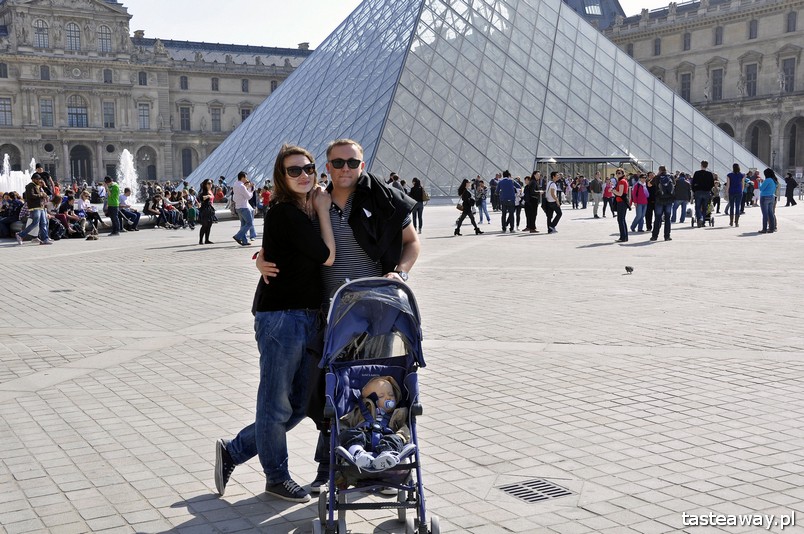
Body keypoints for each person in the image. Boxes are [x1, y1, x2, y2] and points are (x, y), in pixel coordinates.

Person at [237, 138, 419, 497]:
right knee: (330, 395)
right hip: (327, 313)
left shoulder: (381, 199)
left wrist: (401, 272)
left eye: (352, 163)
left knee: (381, 386)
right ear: (328, 166)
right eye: (337, 163)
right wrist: (259, 256)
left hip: (376, 310)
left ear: (362, 165)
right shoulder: (311, 201)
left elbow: (412, 242)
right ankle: (330, 468)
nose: (345, 169)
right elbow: (284, 239)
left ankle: (387, 462)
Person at [215, 144, 336, 503]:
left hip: (304, 316)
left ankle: (234, 451)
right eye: (294, 170)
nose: (304, 175)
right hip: (282, 317)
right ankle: (276, 477)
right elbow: (327, 257)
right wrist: (324, 210)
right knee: (275, 404)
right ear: (281, 178)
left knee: (298, 404)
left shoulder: (300, 211)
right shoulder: (287, 212)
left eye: (308, 168)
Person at [334, 376, 414, 472]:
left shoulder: (398, 414)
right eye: (381, 396)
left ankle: (387, 455)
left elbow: (404, 428)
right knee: (351, 434)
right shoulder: (360, 411)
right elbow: (345, 422)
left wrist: (400, 436)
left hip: (387, 438)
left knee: (395, 439)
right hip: (363, 440)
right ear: (371, 399)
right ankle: (358, 454)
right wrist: (344, 431)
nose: (388, 397)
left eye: (391, 394)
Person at [16, 172, 52, 245]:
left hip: (41, 206)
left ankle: (45, 239)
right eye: (37, 179)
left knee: (44, 223)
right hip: (35, 207)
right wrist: (41, 195)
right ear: (33, 179)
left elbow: (48, 192)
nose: (39, 180)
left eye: (39, 179)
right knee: (35, 223)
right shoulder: (30, 186)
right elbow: (31, 196)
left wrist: (44, 190)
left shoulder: (38, 186)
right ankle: (20, 235)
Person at [650, 166, 674, 242]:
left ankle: (654, 236)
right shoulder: (671, 176)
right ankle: (667, 236)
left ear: (659, 170)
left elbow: (649, 184)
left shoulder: (657, 177)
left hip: (659, 200)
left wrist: (656, 176)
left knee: (657, 218)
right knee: (667, 218)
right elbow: (674, 185)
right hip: (669, 200)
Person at [232, 171, 255, 246]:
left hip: (238, 207)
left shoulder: (235, 184)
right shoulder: (242, 186)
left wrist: (247, 188)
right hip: (244, 207)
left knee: (243, 224)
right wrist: (251, 190)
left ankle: (244, 241)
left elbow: (239, 194)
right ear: (242, 177)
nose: (246, 179)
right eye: (246, 177)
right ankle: (238, 236)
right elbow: (248, 196)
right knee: (249, 223)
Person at [691, 161, 715, 228]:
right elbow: (712, 184)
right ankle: (703, 222)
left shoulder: (697, 173)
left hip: (698, 192)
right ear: (707, 166)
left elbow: (693, 184)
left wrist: (694, 191)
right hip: (706, 192)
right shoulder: (709, 174)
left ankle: (700, 218)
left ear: (701, 165)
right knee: (705, 208)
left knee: (697, 207)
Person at [612, 168, 630, 242]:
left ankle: (623, 237)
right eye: (617, 173)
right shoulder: (622, 181)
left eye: (619, 173)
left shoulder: (622, 181)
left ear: (623, 174)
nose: (617, 174)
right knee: (622, 219)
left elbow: (620, 193)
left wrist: (613, 190)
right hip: (622, 202)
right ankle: (624, 237)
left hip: (621, 202)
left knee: (620, 219)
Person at [198, 179, 216, 244]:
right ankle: (200, 240)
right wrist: (207, 196)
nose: (210, 185)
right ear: (205, 184)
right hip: (205, 209)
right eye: (208, 183)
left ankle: (207, 240)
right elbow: (201, 198)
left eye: (211, 183)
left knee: (209, 224)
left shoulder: (210, 191)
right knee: (204, 225)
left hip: (210, 209)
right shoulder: (203, 191)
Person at [759, 168, 777, 233]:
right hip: (771, 197)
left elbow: (761, 188)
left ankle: (764, 229)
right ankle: (772, 228)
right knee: (771, 213)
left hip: (764, 197)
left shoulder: (767, 180)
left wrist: (759, 182)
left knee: (765, 214)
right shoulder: (774, 180)